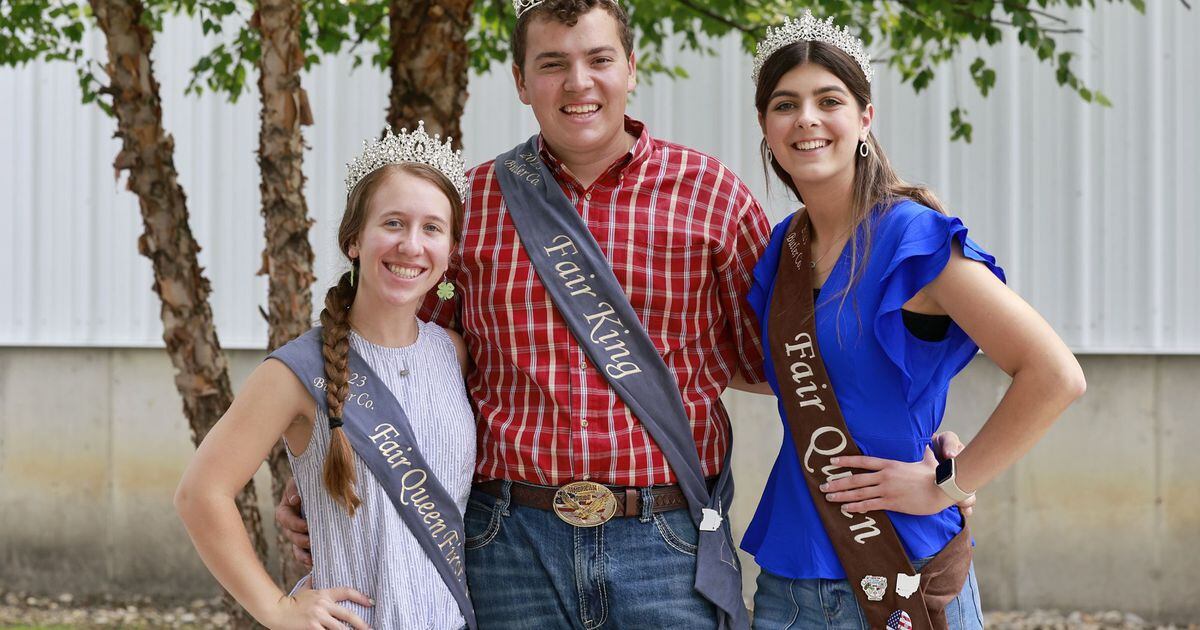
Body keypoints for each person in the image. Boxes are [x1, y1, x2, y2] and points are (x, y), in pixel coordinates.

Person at [277, 2, 970, 627]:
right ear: (521, 81)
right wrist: (322, 463)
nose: (579, 83)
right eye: (553, 65)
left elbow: (785, 357)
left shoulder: (712, 196)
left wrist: (926, 446)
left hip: (667, 541)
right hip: (506, 540)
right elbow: (395, 351)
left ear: (631, 69)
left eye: (599, 60)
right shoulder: (472, 203)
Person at [740, 12, 1087, 630]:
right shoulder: (784, 248)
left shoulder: (912, 237)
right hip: (788, 585)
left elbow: (1055, 375)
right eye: (785, 104)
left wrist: (949, 482)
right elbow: (803, 378)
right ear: (767, 126)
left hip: (901, 567)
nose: (807, 119)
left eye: (829, 100)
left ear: (865, 116)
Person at [175, 123, 477, 629]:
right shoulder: (298, 371)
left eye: (432, 228)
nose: (410, 245)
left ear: (448, 253)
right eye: (393, 223)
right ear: (354, 239)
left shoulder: (453, 354)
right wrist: (277, 610)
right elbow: (200, 493)